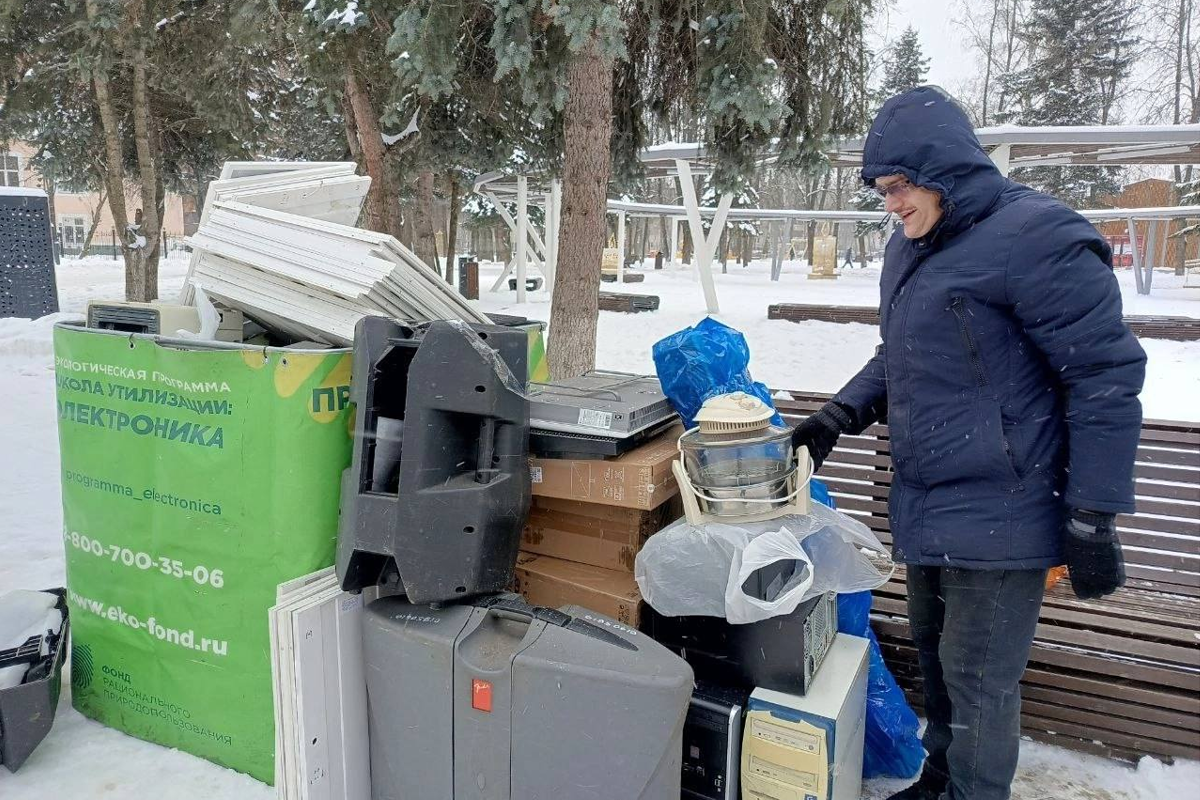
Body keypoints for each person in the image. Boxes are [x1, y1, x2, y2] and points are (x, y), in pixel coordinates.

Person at [792, 86, 1145, 800]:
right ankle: (942, 782)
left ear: (943, 170)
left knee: (980, 683)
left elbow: (1106, 375)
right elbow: (901, 353)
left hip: (1007, 509)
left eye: (898, 187)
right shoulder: (913, 246)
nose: (890, 204)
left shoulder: (1037, 238)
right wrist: (837, 416)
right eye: (881, 191)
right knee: (940, 665)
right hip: (929, 505)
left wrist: (1093, 513)